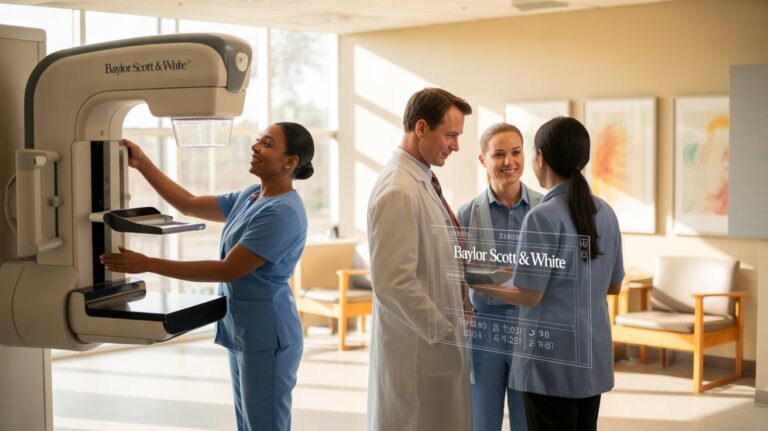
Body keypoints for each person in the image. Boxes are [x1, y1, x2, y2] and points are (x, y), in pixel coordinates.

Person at [100, 122, 315, 431]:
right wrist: (142, 163)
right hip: (244, 327)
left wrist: (147, 263)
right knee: (248, 423)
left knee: (265, 424)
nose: (255, 147)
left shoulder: (282, 212)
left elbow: (228, 269)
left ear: (289, 162)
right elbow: (187, 203)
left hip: (268, 333)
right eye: (258, 140)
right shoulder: (252, 195)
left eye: (267, 144)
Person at [471, 116, 624, 431]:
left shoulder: (542, 216)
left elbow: (529, 294)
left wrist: (481, 280)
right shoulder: (605, 212)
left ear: (539, 157)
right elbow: (614, 284)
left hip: (549, 360)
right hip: (591, 355)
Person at [366, 87, 474, 431]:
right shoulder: (399, 189)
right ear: (422, 128)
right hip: (419, 351)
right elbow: (393, 282)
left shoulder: (421, 181)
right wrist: (444, 331)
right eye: (451, 135)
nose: (456, 145)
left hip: (435, 344)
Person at [457, 123, 542, 431]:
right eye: (499, 154)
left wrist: (494, 275)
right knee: (482, 421)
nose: (509, 162)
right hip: (484, 331)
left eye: (516, 152)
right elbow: (458, 275)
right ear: (483, 160)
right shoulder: (464, 215)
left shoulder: (544, 209)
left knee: (527, 421)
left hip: (530, 328)